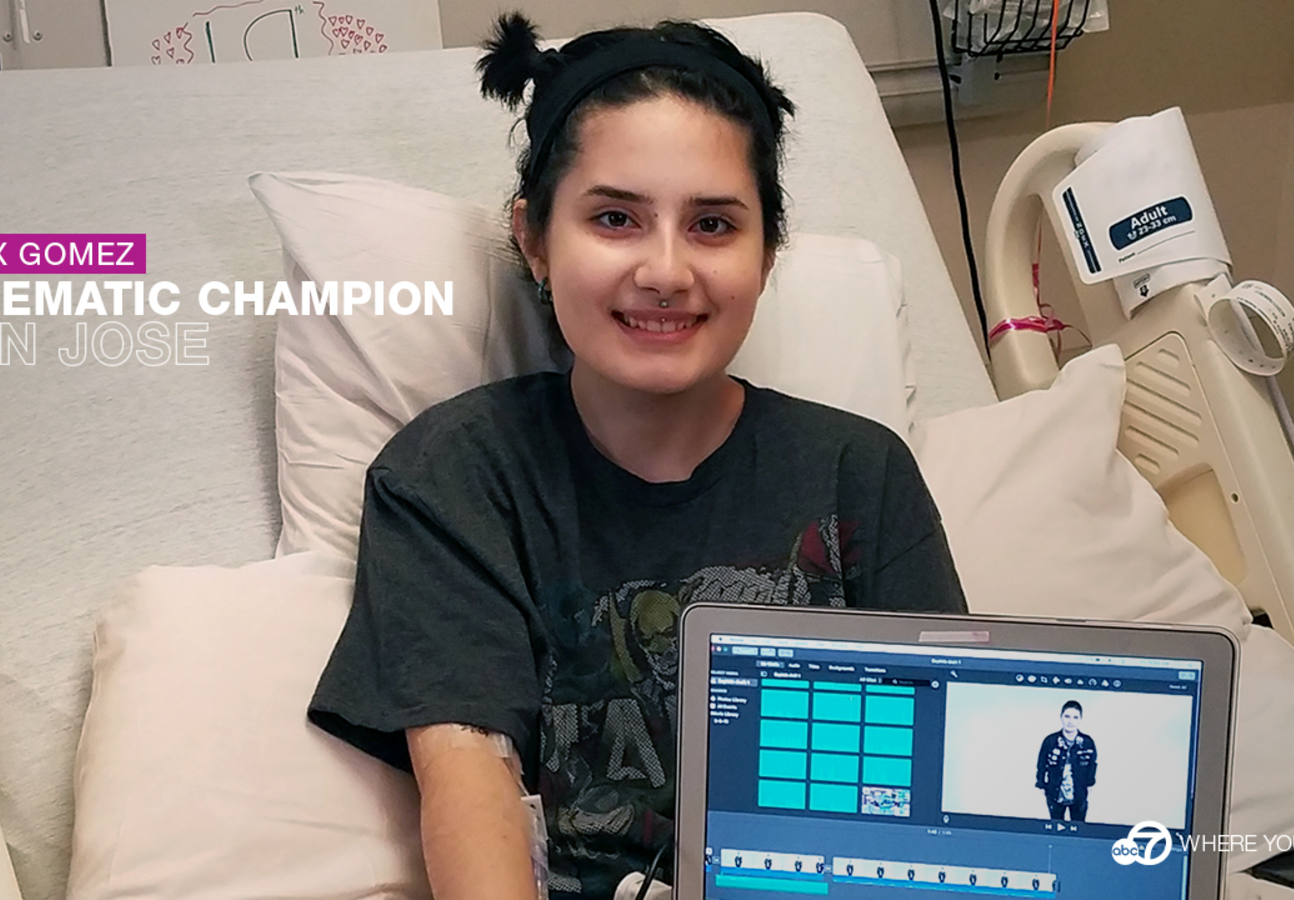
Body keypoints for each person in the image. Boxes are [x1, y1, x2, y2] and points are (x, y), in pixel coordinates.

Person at [307, 12, 967, 900]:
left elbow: (934, 787)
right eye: (615, 218)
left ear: (768, 253)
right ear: (535, 238)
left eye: (713, 225)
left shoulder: (859, 471)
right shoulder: (455, 478)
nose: (665, 271)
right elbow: (470, 783)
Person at [1036, 700, 1098, 822]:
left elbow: (1092, 765)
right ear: (1061, 717)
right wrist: (1041, 784)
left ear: (1080, 719)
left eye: (1075, 717)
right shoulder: (1050, 741)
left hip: (1079, 794)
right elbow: (1041, 764)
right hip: (1055, 793)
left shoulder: (1087, 742)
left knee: (1078, 826)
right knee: (1056, 825)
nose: (1070, 721)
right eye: (1067, 716)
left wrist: (1090, 784)